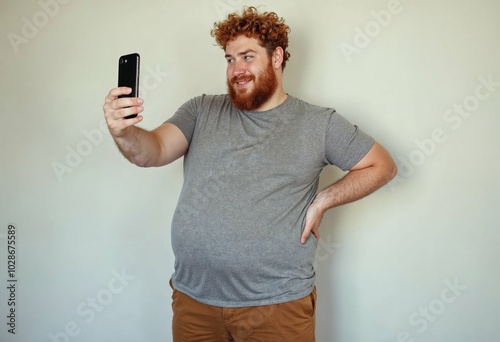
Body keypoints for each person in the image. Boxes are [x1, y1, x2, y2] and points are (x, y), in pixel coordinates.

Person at [103, 6, 397, 342]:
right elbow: (151, 152)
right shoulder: (201, 110)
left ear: (276, 57)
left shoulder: (319, 123)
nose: (237, 70)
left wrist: (324, 200)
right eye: (230, 59)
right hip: (194, 301)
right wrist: (122, 132)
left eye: (247, 57)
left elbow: (382, 166)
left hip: (276, 307)